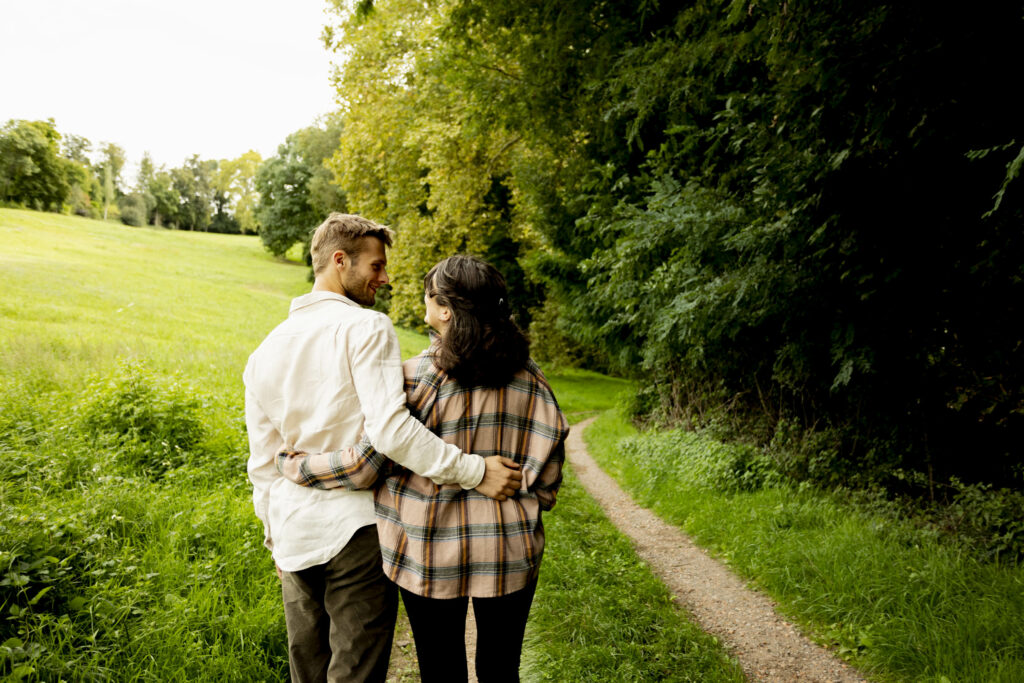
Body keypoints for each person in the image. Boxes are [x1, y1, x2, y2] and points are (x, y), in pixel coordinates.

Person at [244, 215, 522, 683]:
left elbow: (262, 462)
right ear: (339, 261)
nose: (384, 278)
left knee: (306, 672)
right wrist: (474, 471)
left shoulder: (264, 351)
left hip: (292, 532)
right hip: (357, 530)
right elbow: (391, 432)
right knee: (355, 673)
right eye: (376, 266)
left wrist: (272, 535)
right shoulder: (366, 327)